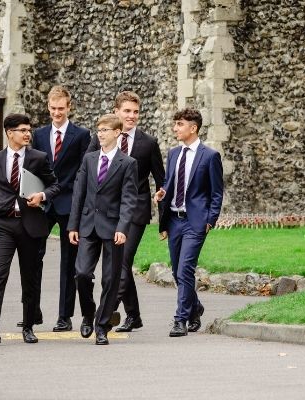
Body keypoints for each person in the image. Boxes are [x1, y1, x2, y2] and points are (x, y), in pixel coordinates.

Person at [0, 113, 61, 344]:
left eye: (29, 130)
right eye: (22, 130)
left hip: (30, 224)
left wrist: (41, 195)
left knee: (29, 277)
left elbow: (55, 185)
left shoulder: (38, 157)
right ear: (9, 133)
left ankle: (29, 326)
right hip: (3, 224)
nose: (27, 134)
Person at [86, 91, 164, 332]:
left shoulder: (148, 143)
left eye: (136, 112)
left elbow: (162, 181)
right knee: (122, 266)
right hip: (105, 213)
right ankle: (134, 315)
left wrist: (165, 220)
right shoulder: (101, 137)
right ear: (116, 111)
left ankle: (102, 316)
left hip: (135, 212)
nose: (132, 116)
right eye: (127, 111)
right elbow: (87, 173)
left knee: (120, 264)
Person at [19, 86, 91, 332]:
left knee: (68, 262)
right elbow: (32, 167)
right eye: (53, 108)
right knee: (32, 256)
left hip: (69, 203)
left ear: (69, 107)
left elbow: (84, 170)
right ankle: (32, 311)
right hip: (42, 203)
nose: (57, 113)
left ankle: (65, 316)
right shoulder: (38, 135)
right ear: (48, 107)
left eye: (61, 108)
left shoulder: (81, 135)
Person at [68, 114, 138, 345]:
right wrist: (73, 225)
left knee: (110, 280)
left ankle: (102, 326)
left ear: (117, 133)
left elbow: (129, 199)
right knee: (82, 274)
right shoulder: (89, 159)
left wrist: (123, 227)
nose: (100, 133)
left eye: (105, 130)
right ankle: (89, 314)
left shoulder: (128, 163)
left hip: (113, 228)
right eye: (99, 130)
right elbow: (79, 194)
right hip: (87, 226)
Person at [154, 108, 223, 337]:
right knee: (177, 271)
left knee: (185, 269)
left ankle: (180, 320)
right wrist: (162, 192)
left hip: (196, 222)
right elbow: (169, 182)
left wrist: (210, 220)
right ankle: (195, 308)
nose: (175, 128)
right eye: (175, 124)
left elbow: (216, 193)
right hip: (174, 220)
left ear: (193, 128)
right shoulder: (174, 154)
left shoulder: (210, 156)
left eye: (180, 124)